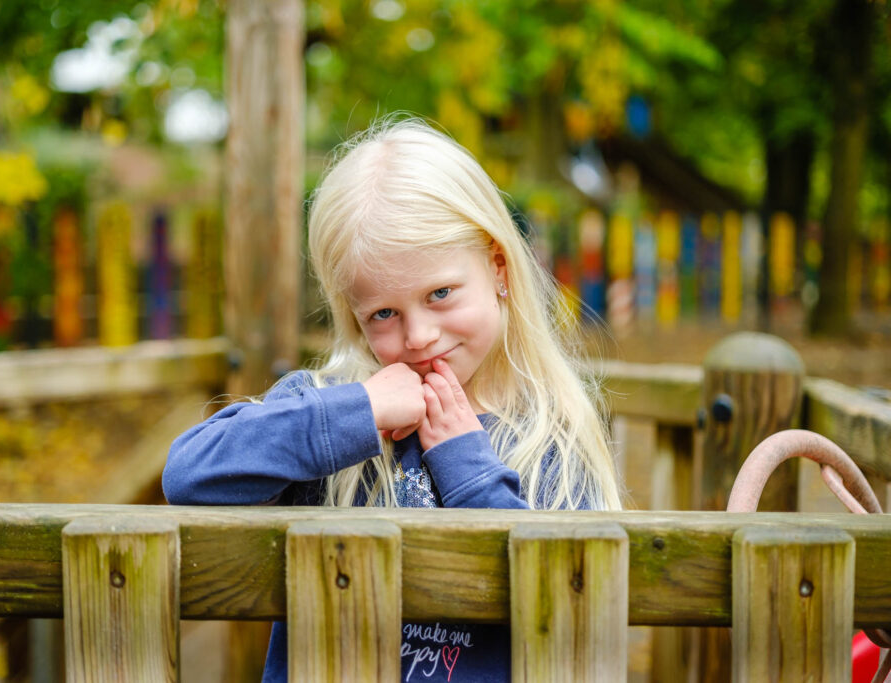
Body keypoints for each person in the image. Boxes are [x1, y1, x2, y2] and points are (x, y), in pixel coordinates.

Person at [163, 117, 622, 682]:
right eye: (384, 313)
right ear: (354, 317)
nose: (419, 335)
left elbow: (568, 600)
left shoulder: (550, 438)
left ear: (498, 267)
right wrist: (360, 412)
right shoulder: (330, 407)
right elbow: (189, 475)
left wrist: (467, 467)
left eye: (440, 293)